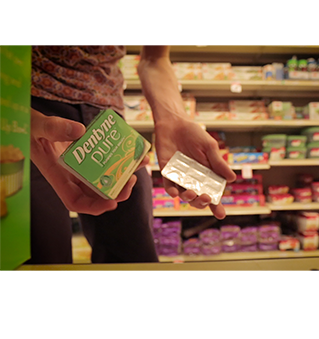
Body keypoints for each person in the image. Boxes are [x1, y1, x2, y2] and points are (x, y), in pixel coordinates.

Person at [29, 45, 236, 264]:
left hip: (110, 123)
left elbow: (154, 59)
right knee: (45, 256)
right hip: (36, 114)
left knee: (135, 255)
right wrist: (24, 120)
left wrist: (173, 119)